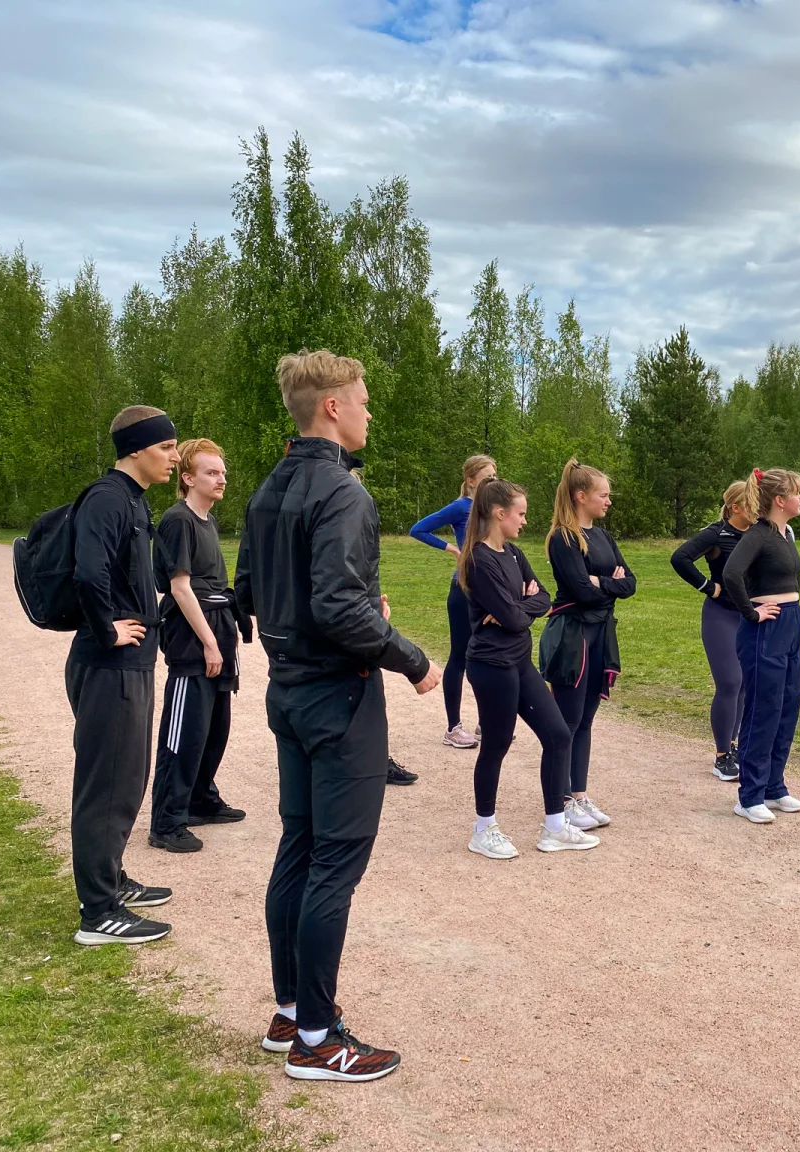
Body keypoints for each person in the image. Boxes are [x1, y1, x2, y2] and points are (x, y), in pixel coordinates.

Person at [235, 349, 442, 1083]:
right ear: (331, 407)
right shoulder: (343, 493)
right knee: (333, 862)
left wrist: (343, 609)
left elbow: (249, 593)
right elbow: (336, 605)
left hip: (287, 690)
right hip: (337, 696)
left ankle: (290, 1012)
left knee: (299, 844)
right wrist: (412, 658)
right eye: (361, 400)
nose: (368, 411)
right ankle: (318, 1039)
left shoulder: (266, 490)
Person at [68, 405, 181, 945]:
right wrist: (107, 629)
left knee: (127, 777)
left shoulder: (131, 501)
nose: (174, 456)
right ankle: (98, 914)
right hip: (109, 665)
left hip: (128, 666)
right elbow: (87, 572)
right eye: (166, 447)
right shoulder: (108, 499)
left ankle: (111, 880)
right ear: (136, 449)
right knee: (106, 785)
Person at [459, 478, 597, 859]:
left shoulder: (515, 554)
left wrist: (519, 606)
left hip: (519, 661)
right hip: (491, 666)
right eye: (519, 513)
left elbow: (544, 599)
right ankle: (483, 828)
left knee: (557, 734)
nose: (523, 520)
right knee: (497, 744)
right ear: (499, 514)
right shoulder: (478, 560)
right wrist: (518, 608)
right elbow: (515, 618)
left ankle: (554, 826)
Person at [147, 438, 249, 853]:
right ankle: (167, 821)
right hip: (193, 641)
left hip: (217, 631)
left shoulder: (206, 521)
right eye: (211, 472)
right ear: (188, 478)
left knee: (214, 727)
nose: (221, 478)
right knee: (184, 732)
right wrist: (209, 643)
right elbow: (180, 588)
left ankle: (200, 800)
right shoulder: (178, 520)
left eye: (222, 472)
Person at [541, 459, 636, 830]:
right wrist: (601, 583)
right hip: (573, 636)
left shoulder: (604, 537)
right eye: (604, 495)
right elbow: (579, 591)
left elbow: (630, 583)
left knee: (587, 719)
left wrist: (600, 583)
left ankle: (578, 794)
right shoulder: (563, 537)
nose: (609, 501)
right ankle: (560, 799)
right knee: (567, 720)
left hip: (601, 633)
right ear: (581, 496)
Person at [721, 468, 800, 824]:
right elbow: (731, 573)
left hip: (790, 623)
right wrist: (751, 613)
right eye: (797, 493)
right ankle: (749, 795)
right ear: (779, 500)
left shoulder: (786, 532)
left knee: (787, 704)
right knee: (763, 709)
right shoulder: (757, 534)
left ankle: (774, 786)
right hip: (765, 629)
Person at [670, 479, 758, 781]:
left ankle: (733, 746)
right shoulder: (717, 532)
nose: (758, 509)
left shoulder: (759, 533)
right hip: (721, 615)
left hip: (749, 616)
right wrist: (709, 587)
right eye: (752, 504)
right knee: (730, 682)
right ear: (735, 507)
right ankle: (721, 756)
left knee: (745, 682)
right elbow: (679, 558)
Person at [408, 454, 497, 751]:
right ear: (471, 481)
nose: (492, 481)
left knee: (485, 655)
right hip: (463, 590)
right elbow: (418, 529)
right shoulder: (462, 507)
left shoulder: (494, 509)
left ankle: (486, 723)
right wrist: (452, 549)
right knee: (460, 655)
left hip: (486, 591)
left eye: (495, 476)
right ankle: (453, 728)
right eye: (486, 477)